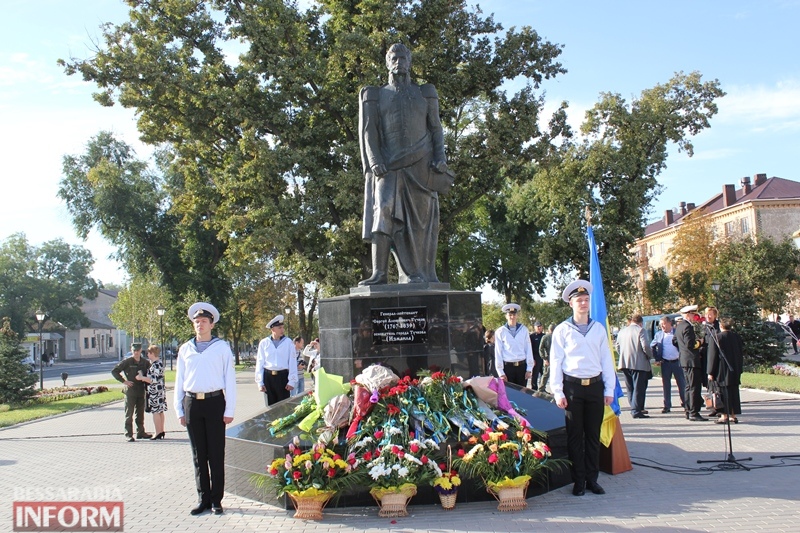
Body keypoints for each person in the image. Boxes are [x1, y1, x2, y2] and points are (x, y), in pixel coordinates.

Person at [358, 43, 451, 285]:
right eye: (394, 57)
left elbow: (436, 128)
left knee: (418, 223)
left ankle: (414, 274)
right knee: (383, 210)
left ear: (410, 62)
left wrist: (440, 157)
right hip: (387, 166)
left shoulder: (425, 92)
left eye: (403, 57)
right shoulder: (375, 94)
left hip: (420, 167)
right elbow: (369, 132)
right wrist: (375, 160)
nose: (399, 61)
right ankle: (379, 273)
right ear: (387, 62)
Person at [549, 280, 616, 497]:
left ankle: (592, 480)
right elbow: (556, 361)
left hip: (595, 387)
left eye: (586, 300)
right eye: (579, 300)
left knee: (593, 437)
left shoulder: (598, 329)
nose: (584, 304)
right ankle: (578, 481)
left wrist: (609, 389)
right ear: (571, 304)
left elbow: (606, 359)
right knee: (575, 437)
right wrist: (557, 391)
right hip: (573, 389)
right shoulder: (562, 330)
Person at [174, 302, 237, 516]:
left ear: (212, 324)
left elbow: (230, 379)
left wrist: (229, 410)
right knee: (198, 455)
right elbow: (180, 380)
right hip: (192, 403)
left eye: (203, 322)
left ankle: (217, 500)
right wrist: (179, 410)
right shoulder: (185, 349)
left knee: (216, 454)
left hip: (214, 402)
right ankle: (203, 499)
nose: (199, 325)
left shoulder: (222, 348)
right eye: (196, 322)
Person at [111, 342, 151, 442]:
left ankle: (140, 432)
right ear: (131, 350)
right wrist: (124, 381)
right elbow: (114, 371)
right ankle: (128, 434)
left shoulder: (145, 362)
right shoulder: (127, 361)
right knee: (129, 414)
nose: (136, 353)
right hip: (131, 390)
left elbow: (151, 373)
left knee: (140, 413)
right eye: (134, 351)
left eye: (137, 351)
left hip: (141, 390)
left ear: (141, 350)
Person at [707, 317, 744, 424]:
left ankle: (724, 416)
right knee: (733, 393)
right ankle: (733, 415)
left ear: (721, 326)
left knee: (722, 393)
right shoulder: (736, 337)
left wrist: (710, 372)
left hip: (721, 370)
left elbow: (712, 356)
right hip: (734, 370)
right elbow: (740, 354)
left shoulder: (717, 338)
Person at [615, 313, 653, 419]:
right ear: (641, 323)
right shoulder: (641, 330)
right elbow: (645, 345)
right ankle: (636, 410)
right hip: (639, 363)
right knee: (638, 387)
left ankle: (634, 406)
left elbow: (617, 346)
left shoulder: (622, 331)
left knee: (630, 386)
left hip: (624, 363)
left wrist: (623, 355)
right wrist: (650, 356)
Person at [255, 314, 297, 406]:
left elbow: (292, 362)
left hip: (282, 377)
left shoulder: (288, 342)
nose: (282, 330)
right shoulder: (264, 343)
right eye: (279, 328)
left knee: (283, 406)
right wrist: (260, 382)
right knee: (270, 406)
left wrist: (292, 381)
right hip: (268, 377)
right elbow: (260, 362)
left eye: (282, 327)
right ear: (272, 329)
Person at [675, 305, 707, 421]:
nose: (695, 317)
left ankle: (688, 410)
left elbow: (675, 341)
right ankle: (694, 412)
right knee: (694, 387)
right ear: (688, 314)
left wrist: (682, 350)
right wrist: (700, 342)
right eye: (693, 314)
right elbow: (690, 344)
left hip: (684, 360)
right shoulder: (687, 327)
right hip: (691, 361)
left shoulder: (679, 326)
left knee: (688, 387)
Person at [650, 316, 686, 414]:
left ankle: (685, 403)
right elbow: (652, 346)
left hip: (677, 362)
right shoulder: (659, 335)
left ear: (669, 323)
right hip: (665, 363)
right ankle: (667, 405)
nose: (662, 326)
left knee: (681, 384)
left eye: (664, 324)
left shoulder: (676, 332)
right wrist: (657, 358)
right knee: (666, 385)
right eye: (661, 324)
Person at [493, 303, 534, 387]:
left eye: (514, 314)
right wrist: (500, 372)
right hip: (508, 368)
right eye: (510, 315)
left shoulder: (524, 330)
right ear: (506, 316)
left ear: (517, 316)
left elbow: (528, 349)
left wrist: (529, 368)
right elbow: (498, 352)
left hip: (521, 367)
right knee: (509, 395)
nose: (512, 317)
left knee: (522, 394)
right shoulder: (500, 331)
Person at [136, 344, 167, 439]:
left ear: (152, 353)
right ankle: (161, 430)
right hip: (159, 390)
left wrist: (142, 378)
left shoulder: (156, 364)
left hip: (155, 391)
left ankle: (158, 432)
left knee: (156, 412)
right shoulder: (157, 363)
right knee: (160, 411)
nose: (147, 355)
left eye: (148, 353)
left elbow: (154, 379)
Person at [538, 324, 555, 392]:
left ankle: (541, 389)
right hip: (551, 358)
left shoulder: (545, 337)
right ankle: (541, 389)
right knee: (546, 375)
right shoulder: (548, 337)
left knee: (545, 375)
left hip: (548, 358)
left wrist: (544, 358)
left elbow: (540, 349)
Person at [530, 321, 545, 389]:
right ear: (535, 327)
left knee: (543, 374)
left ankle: (542, 388)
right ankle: (534, 388)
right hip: (535, 357)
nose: (539, 328)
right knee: (535, 374)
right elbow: (529, 349)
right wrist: (532, 358)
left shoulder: (544, 336)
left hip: (543, 358)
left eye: (540, 326)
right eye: (537, 326)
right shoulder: (531, 337)